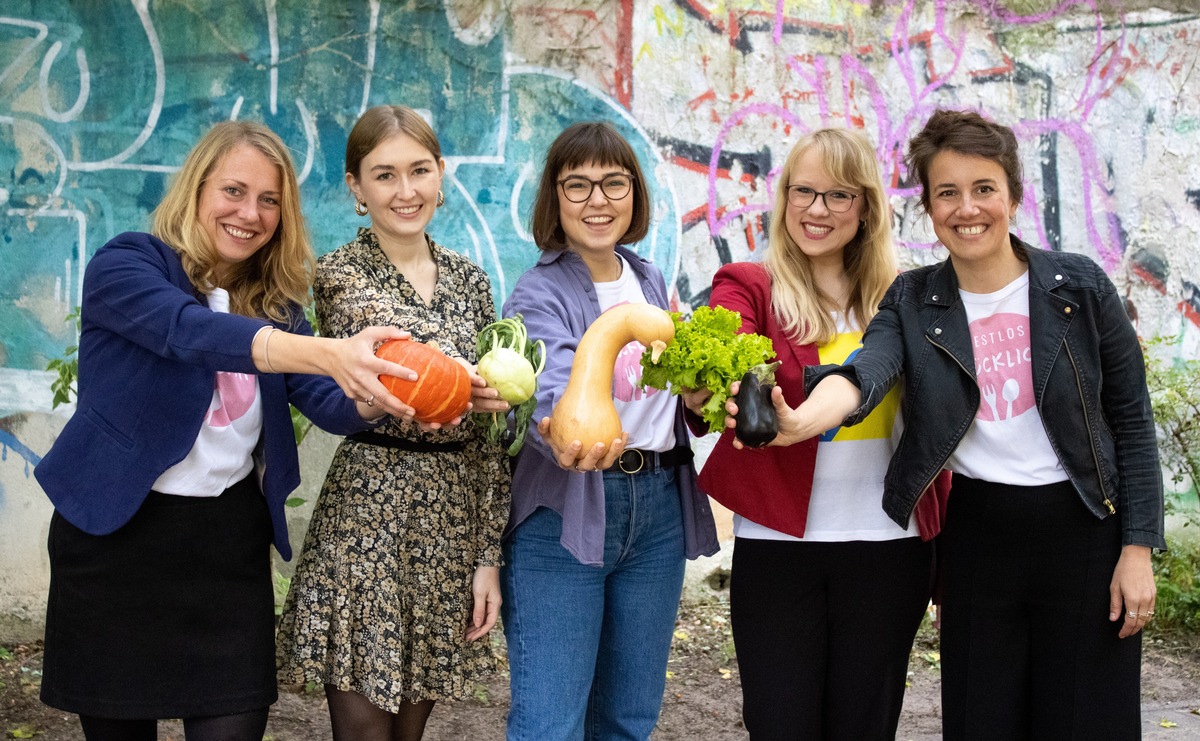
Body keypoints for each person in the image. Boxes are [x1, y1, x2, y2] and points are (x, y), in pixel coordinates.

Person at [738, 109, 1165, 739]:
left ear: (1013, 196)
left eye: (983, 189)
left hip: (1082, 536)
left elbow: (1131, 420)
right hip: (975, 542)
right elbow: (864, 373)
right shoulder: (913, 298)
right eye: (947, 193)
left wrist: (1137, 548)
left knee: (1085, 720)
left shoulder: (1078, 285)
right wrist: (799, 424)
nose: (967, 208)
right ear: (928, 209)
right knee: (980, 721)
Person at [34, 120, 428, 741]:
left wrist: (396, 391)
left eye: (269, 200)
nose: (251, 213)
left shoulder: (275, 305)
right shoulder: (128, 264)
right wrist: (326, 350)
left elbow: (328, 401)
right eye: (234, 191)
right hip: (117, 546)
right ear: (196, 190)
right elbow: (188, 333)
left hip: (224, 551)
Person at [683, 127, 946, 740]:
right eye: (803, 192)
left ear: (866, 207)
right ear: (784, 200)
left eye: (837, 196)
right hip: (779, 548)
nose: (816, 210)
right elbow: (728, 358)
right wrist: (707, 388)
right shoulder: (749, 285)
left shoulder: (903, 297)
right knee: (779, 725)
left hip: (890, 546)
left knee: (865, 725)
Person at [275, 105, 511, 741]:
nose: (405, 191)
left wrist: (487, 556)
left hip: (450, 518)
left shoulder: (471, 279)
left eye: (419, 171)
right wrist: (475, 379)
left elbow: (492, 437)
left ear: (441, 175)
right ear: (356, 187)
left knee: (408, 736)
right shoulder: (342, 276)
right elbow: (403, 363)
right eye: (384, 175)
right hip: (369, 521)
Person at [499, 121, 719, 740]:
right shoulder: (537, 293)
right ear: (555, 199)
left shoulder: (649, 278)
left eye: (613, 183)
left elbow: (677, 397)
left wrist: (705, 392)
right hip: (567, 515)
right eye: (578, 186)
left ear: (634, 194)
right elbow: (559, 416)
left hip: (656, 509)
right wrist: (619, 328)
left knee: (628, 717)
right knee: (550, 723)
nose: (598, 201)